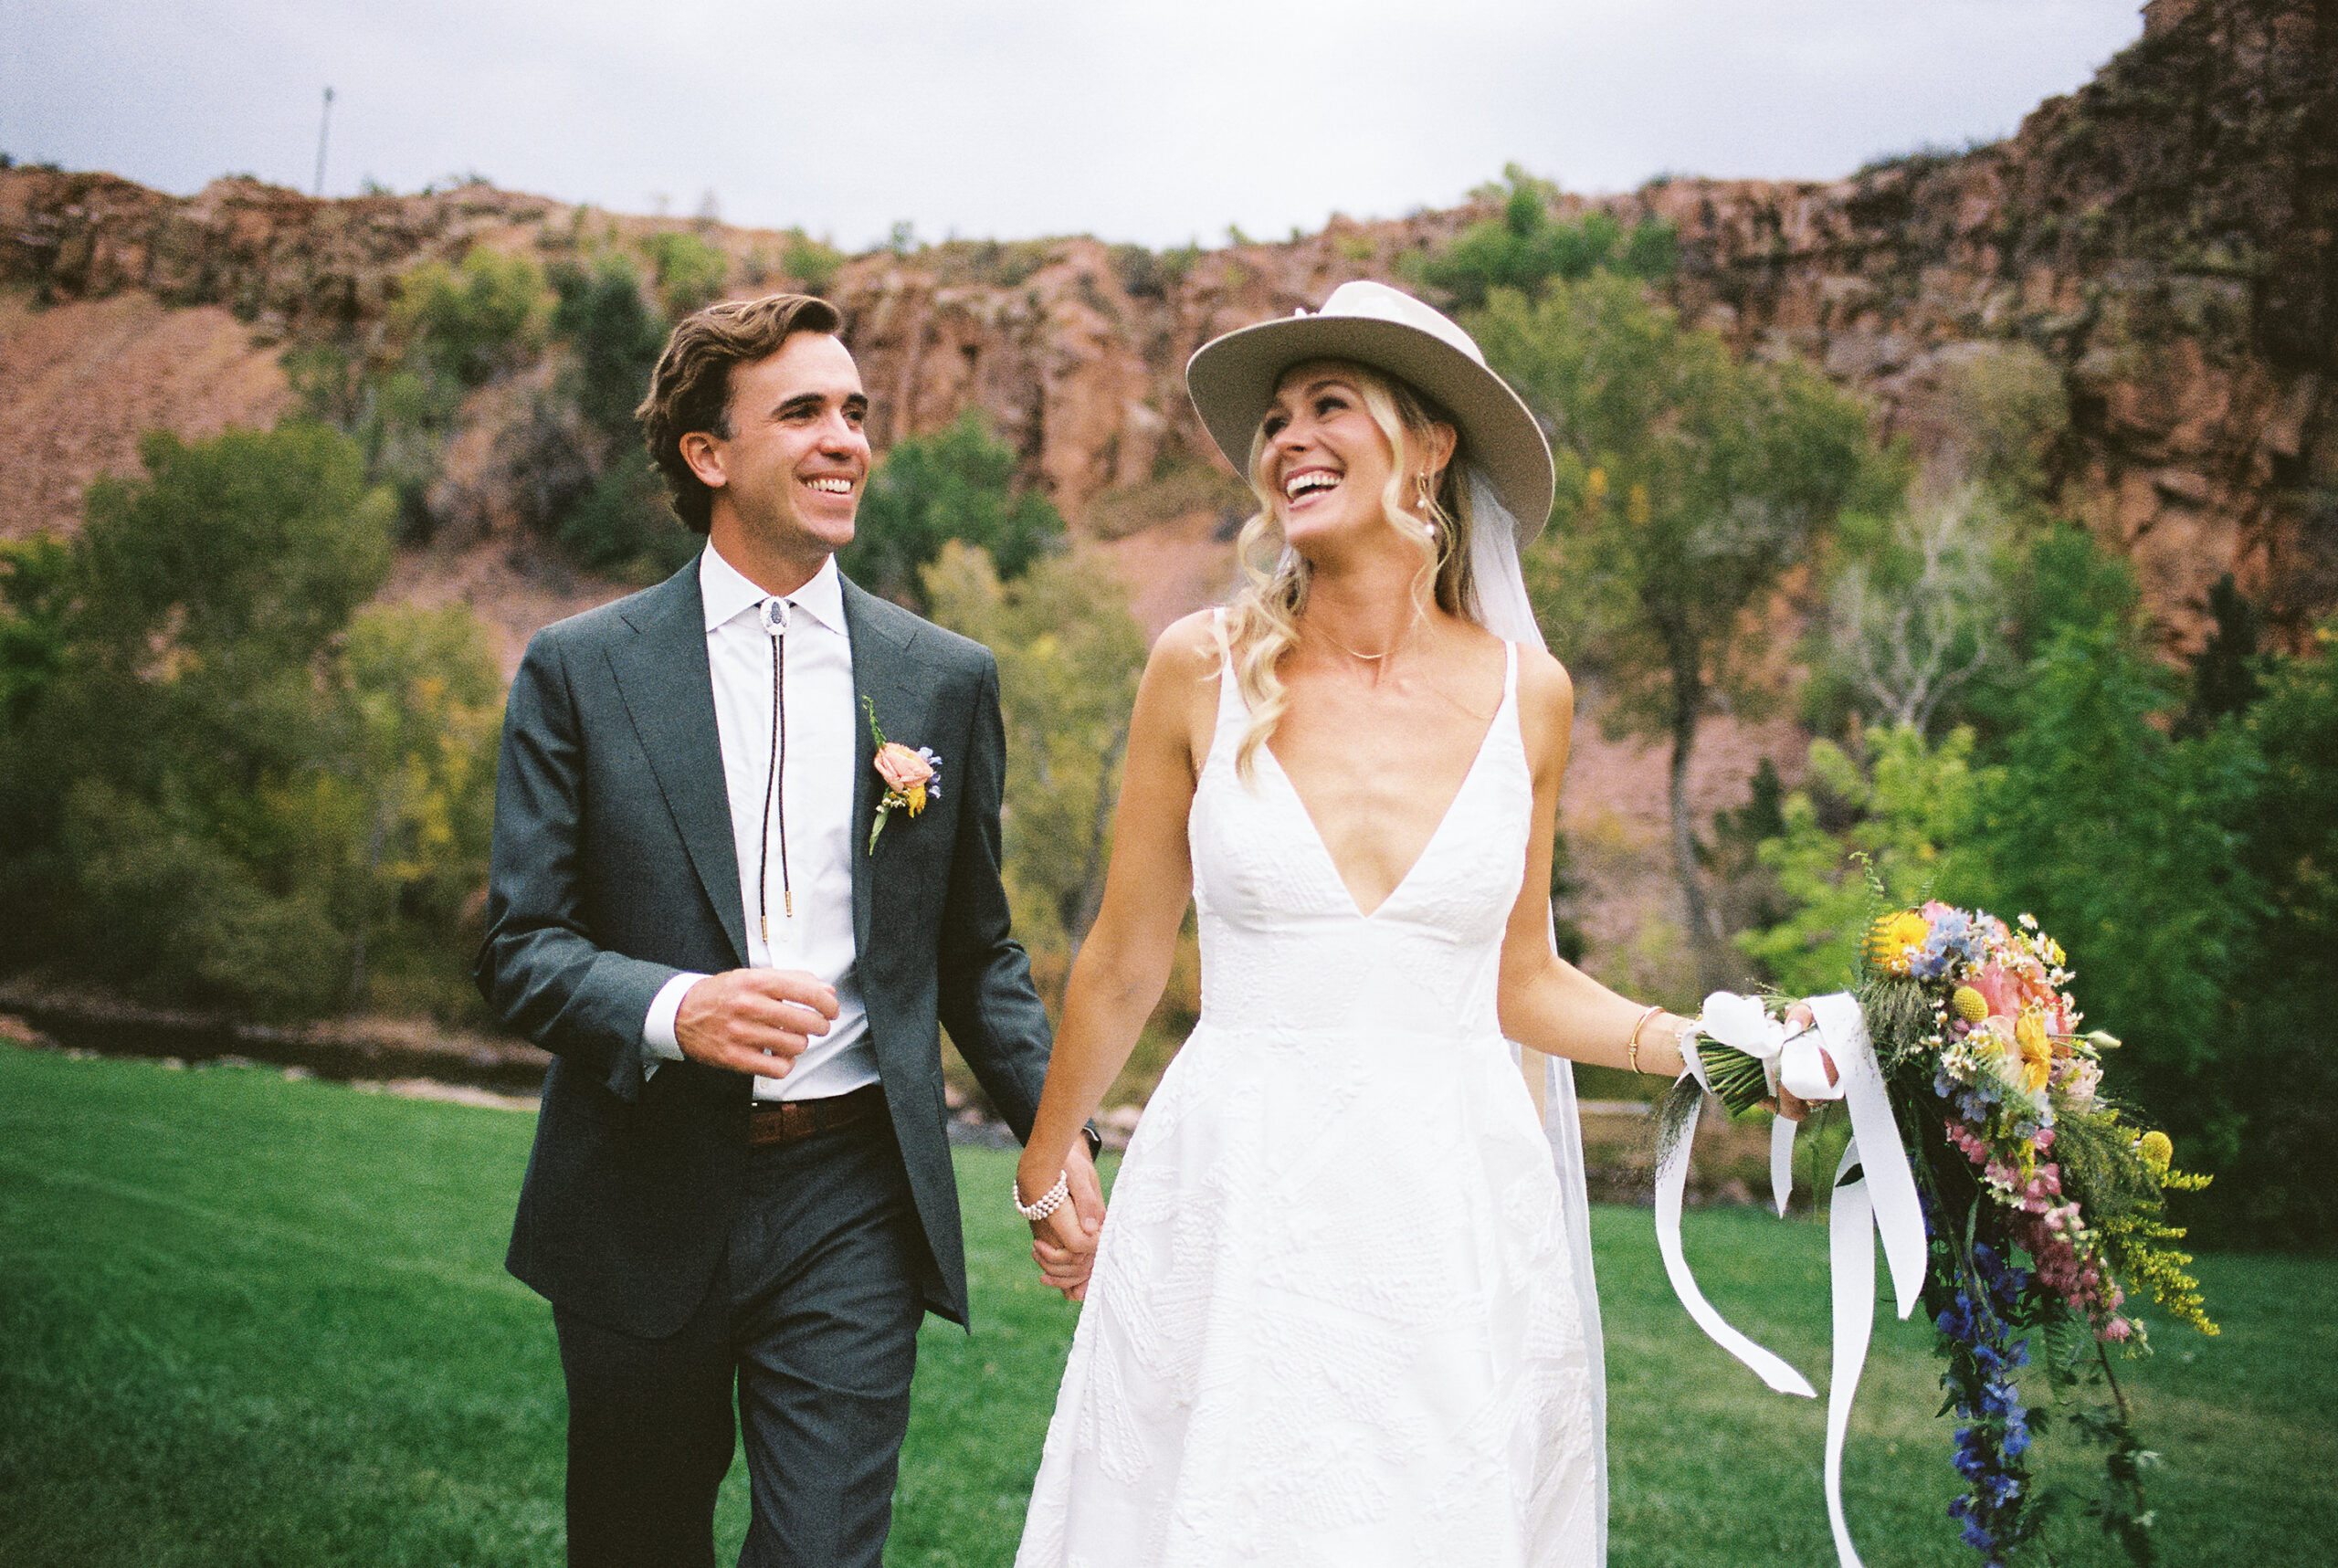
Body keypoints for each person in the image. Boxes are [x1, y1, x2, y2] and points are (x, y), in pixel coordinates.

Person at [1009, 281, 1722, 1566]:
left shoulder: (1531, 696)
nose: (1289, 439)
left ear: (1432, 444)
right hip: (1239, 1183)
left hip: (1449, 1200)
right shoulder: (1196, 666)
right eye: (1276, 418)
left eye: (1330, 404)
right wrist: (1049, 1160)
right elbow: (1124, 954)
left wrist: (1711, 1046)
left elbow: (1523, 979)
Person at [475, 291, 1103, 1568]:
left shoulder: (942, 678)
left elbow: (976, 953)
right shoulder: (579, 668)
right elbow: (521, 944)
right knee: (636, 1543)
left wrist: (1061, 1135)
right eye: (803, 411)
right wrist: (674, 1009)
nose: (846, 440)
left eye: (856, 413)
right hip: (638, 1178)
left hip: (851, 1190)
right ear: (709, 454)